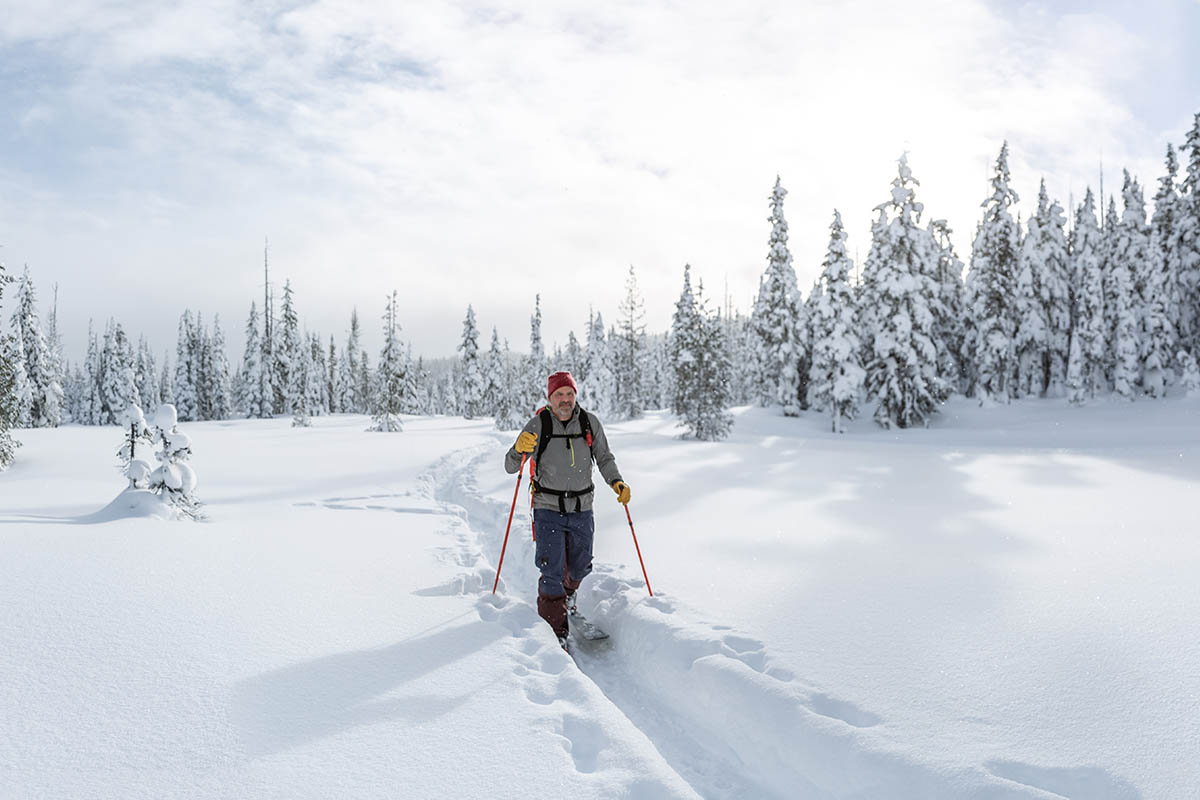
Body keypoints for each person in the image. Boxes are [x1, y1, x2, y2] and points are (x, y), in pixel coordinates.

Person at [505, 371, 630, 647]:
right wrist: (518, 448)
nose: (565, 400)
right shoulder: (539, 424)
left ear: (575, 395)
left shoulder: (589, 422)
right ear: (550, 398)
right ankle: (556, 634)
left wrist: (616, 481)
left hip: (582, 507)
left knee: (581, 564)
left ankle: (568, 597)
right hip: (547, 507)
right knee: (551, 569)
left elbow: (605, 457)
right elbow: (511, 465)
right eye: (559, 395)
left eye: (569, 394)